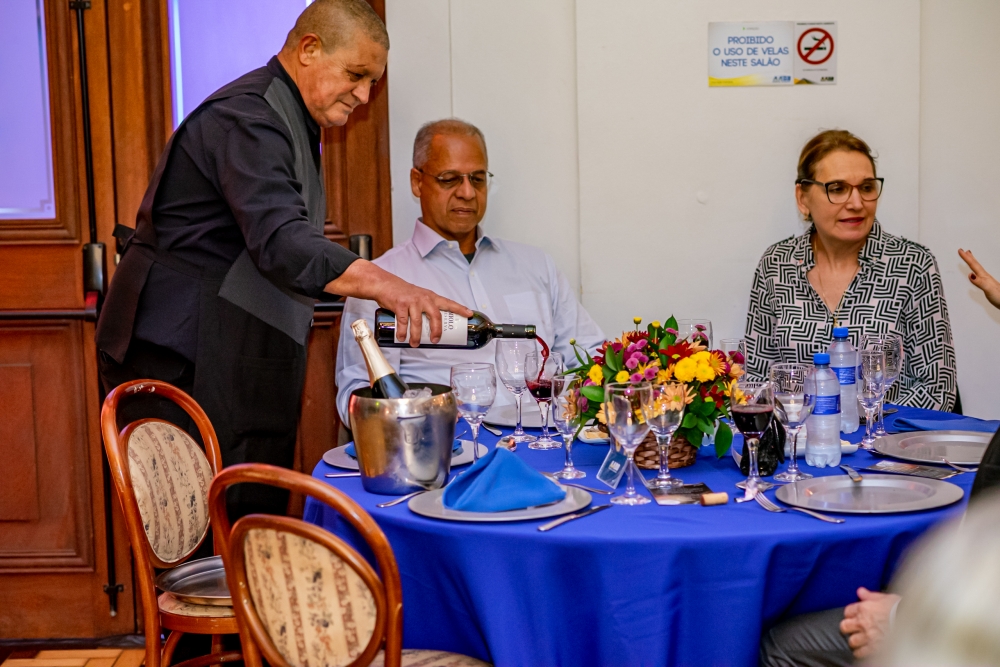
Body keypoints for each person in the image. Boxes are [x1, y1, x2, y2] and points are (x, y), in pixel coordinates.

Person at [96, 0, 471, 517]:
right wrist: (390, 285)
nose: (364, 96)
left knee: (249, 520)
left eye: (373, 83)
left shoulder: (291, 116)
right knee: (199, 530)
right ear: (309, 49)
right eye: (356, 75)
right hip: (184, 356)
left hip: (235, 354)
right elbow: (281, 241)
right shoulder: (246, 117)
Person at [335, 118, 605, 422]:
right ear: (417, 181)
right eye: (450, 179)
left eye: (477, 179)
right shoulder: (380, 281)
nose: (467, 192)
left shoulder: (536, 266)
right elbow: (357, 400)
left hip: (543, 438)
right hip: (449, 443)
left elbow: (591, 357)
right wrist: (427, 420)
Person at [744, 129, 958, 411]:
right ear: (803, 198)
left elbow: (937, 391)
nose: (856, 203)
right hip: (797, 435)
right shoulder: (776, 265)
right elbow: (757, 384)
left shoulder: (913, 265)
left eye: (866, 188)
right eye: (837, 189)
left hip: (889, 436)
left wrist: (865, 421)